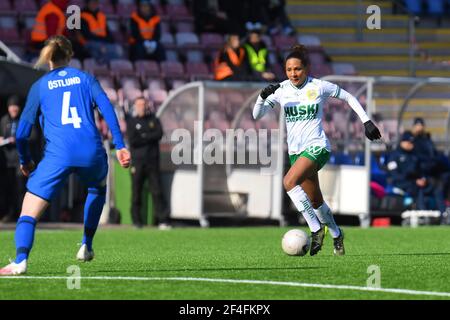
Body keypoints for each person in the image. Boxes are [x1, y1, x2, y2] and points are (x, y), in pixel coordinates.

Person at [0, 35, 131, 276]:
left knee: (28, 211)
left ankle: (20, 261)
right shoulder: (86, 79)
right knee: (96, 189)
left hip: (58, 154)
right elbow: (108, 110)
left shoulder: (39, 85)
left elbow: (21, 134)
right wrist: (120, 144)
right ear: (70, 56)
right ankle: (86, 245)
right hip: (91, 151)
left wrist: (24, 160)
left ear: (48, 58)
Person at [253, 45, 381, 256]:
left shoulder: (319, 86)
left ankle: (315, 228)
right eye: (289, 69)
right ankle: (337, 234)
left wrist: (366, 121)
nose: (293, 73)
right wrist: (261, 97)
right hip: (296, 152)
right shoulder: (282, 90)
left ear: (306, 68)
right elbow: (257, 114)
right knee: (316, 201)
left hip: (318, 146)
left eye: (297, 69)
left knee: (288, 182)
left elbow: (349, 97)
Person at [126, 97, 170, 229]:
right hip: (138, 162)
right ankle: (136, 221)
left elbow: (158, 134)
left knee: (157, 191)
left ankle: (163, 220)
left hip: (152, 161)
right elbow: (133, 140)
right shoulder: (132, 122)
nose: (142, 107)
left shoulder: (153, 120)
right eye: (139, 105)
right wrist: (148, 137)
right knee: (136, 192)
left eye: (143, 105)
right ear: (135, 106)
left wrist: (144, 136)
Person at [386, 131, 435, 211]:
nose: (409, 144)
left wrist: (423, 178)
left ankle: (440, 212)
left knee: (433, 184)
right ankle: (420, 209)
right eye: (407, 141)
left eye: (411, 142)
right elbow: (394, 175)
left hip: (414, 182)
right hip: (400, 183)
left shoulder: (415, 156)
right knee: (415, 187)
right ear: (402, 142)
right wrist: (412, 179)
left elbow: (421, 171)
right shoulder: (394, 156)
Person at [0, 96, 29, 223]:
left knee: (20, 188)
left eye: (15, 106)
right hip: (7, 159)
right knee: (8, 187)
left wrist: (17, 140)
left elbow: (32, 136)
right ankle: (9, 213)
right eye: (11, 106)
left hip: (20, 159)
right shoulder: (4, 120)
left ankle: (20, 214)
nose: (13, 109)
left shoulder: (24, 120)